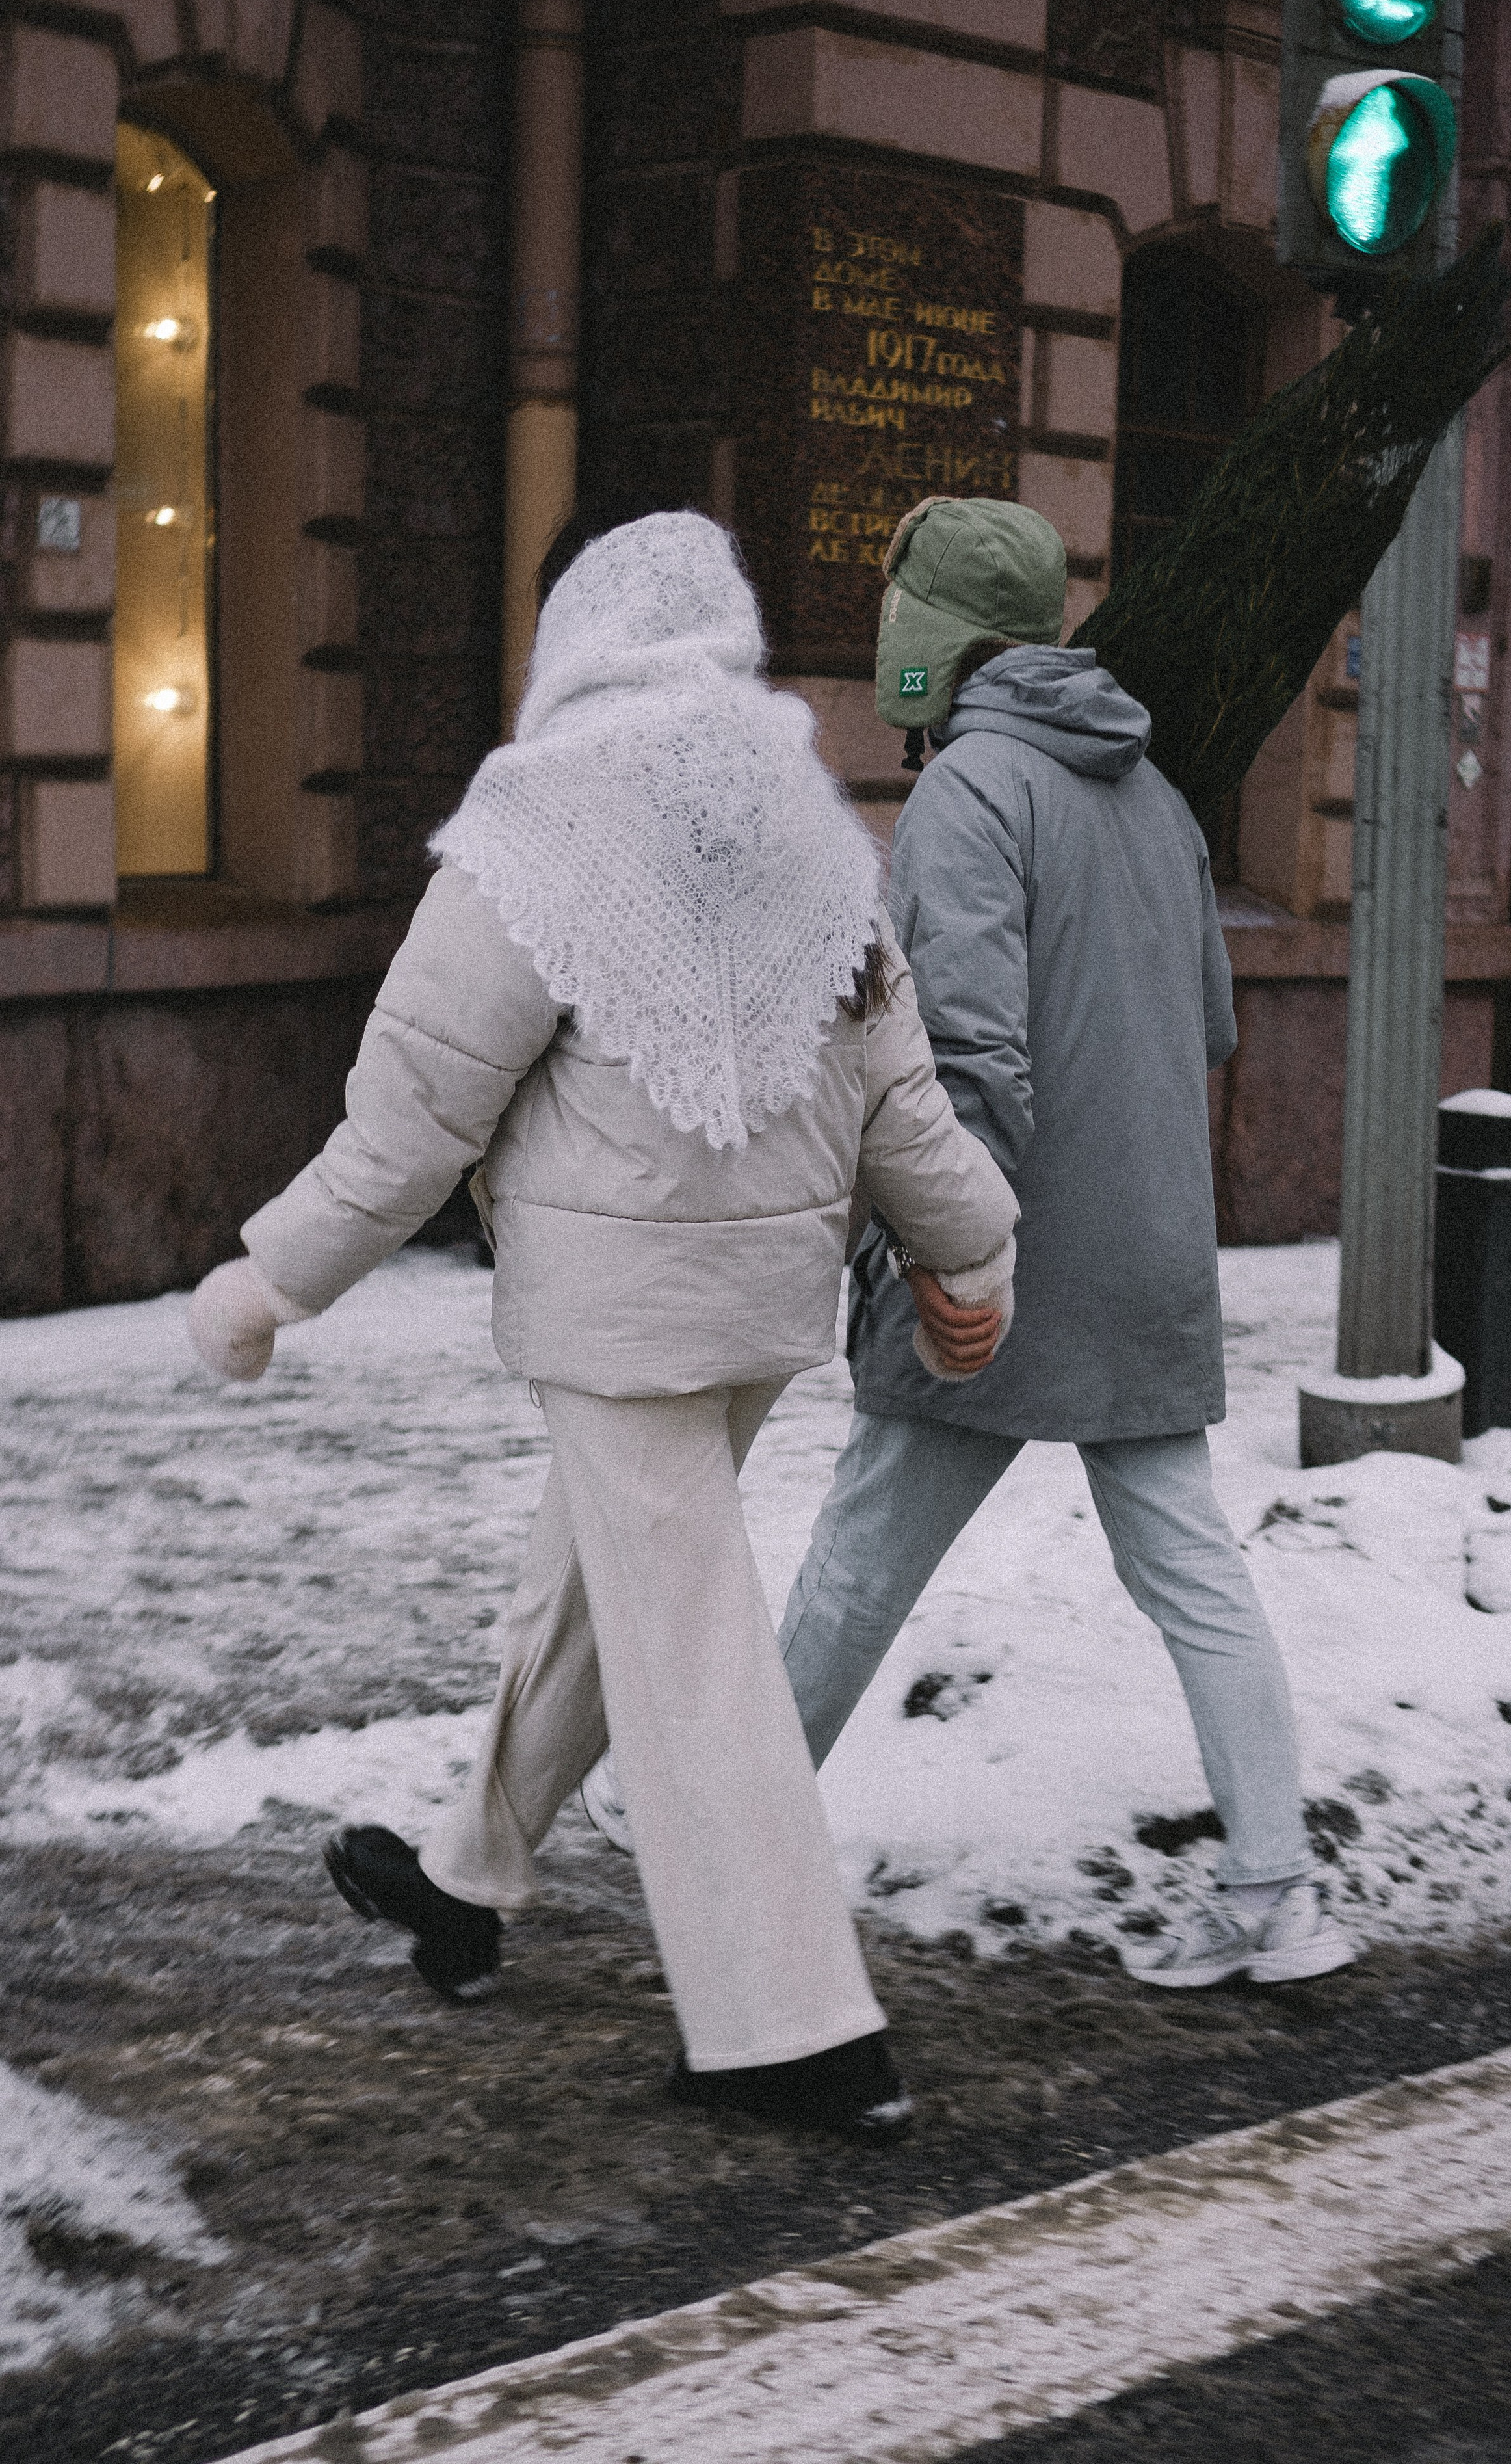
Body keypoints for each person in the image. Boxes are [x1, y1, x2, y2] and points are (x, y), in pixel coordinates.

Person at [185, 510, 1018, 2133]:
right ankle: (467, 1881)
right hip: (755, 1305)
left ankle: (798, 2030)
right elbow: (893, 1084)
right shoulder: (805, 815)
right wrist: (972, 1252)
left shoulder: (539, 824)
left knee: (689, 1650)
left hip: (616, 1308)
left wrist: (274, 1278)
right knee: (591, 1587)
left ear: (576, 634)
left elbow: (417, 1107)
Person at [584, 496, 1355, 1992]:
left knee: (861, 1557)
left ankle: (707, 1828)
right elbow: (1207, 1025)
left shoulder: (965, 797)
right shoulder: (1156, 798)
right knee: (1190, 1570)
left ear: (930, 633)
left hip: (996, 1256)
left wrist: (949, 1256)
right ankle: (1276, 1889)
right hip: (1143, 1258)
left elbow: (970, 1066)